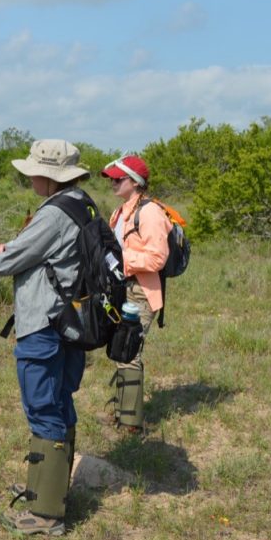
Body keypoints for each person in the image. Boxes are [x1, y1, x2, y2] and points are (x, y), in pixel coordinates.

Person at [0, 139, 94, 537]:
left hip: (44, 323)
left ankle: (46, 515)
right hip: (69, 320)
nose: (29, 176)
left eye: (34, 170)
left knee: (43, 405)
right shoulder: (82, 202)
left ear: (49, 175)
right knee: (59, 401)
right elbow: (37, 253)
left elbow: (12, 260)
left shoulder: (54, 213)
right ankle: (49, 491)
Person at [100, 155, 172, 434]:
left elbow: (157, 258)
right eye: (112, 179)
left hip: (141, 291)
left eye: (119, 179)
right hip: (123, 289)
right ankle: (123, 411)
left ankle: (130, 424)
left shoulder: (150, 212)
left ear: (136, 182)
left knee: (129, 351)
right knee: (121, 349)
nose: (113, 183)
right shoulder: (120, 212)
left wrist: (122, 260)